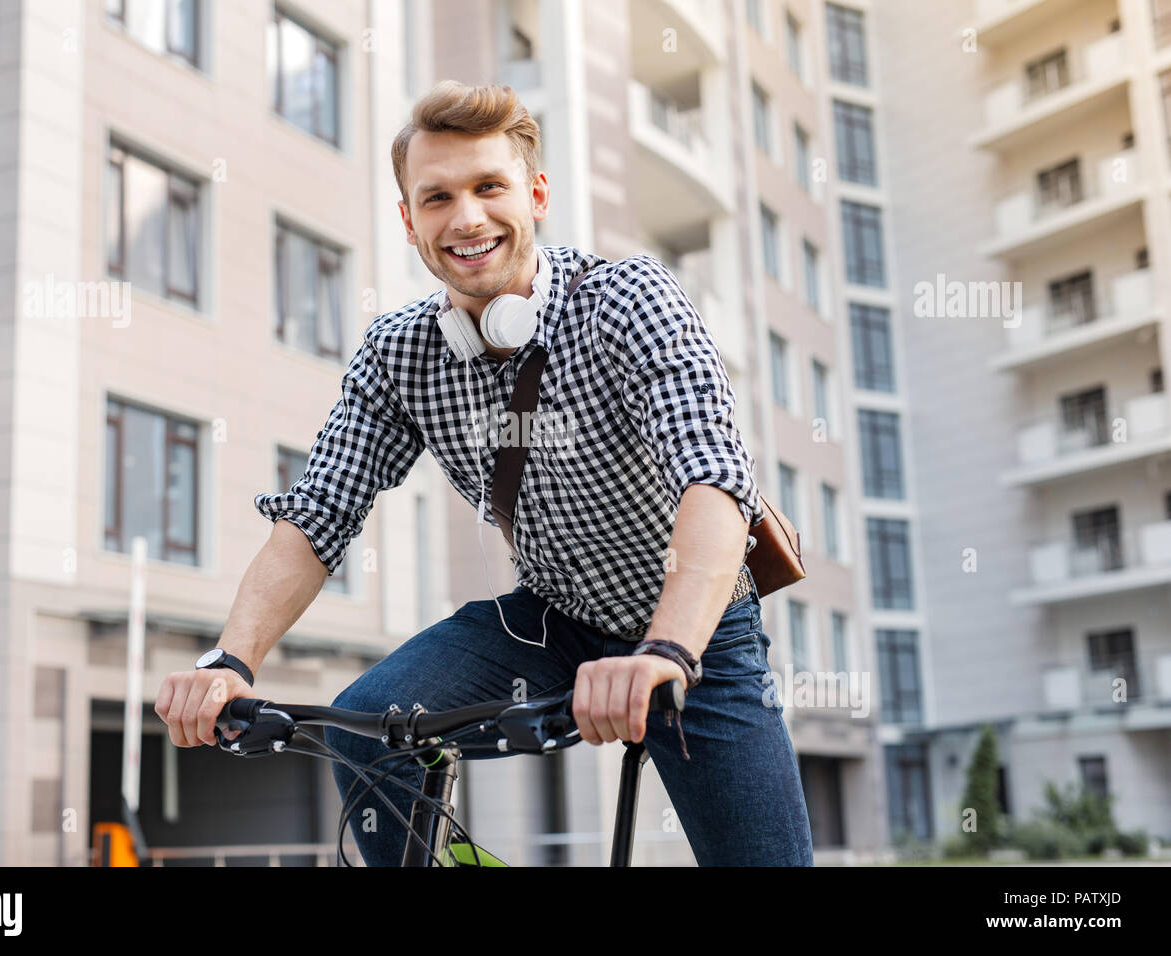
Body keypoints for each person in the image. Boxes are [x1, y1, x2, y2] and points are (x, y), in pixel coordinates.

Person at [155, 80, 814, 866]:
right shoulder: (400, 354)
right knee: (368, 729)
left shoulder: (629, 300)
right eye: (436, 198)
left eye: (488, 187)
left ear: (534, 194)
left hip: (698, 634)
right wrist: (230, 662)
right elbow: (318, 514)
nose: (465, 218)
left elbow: (712, 480)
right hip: (550, 616)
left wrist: (668, 650)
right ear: (409, 221)